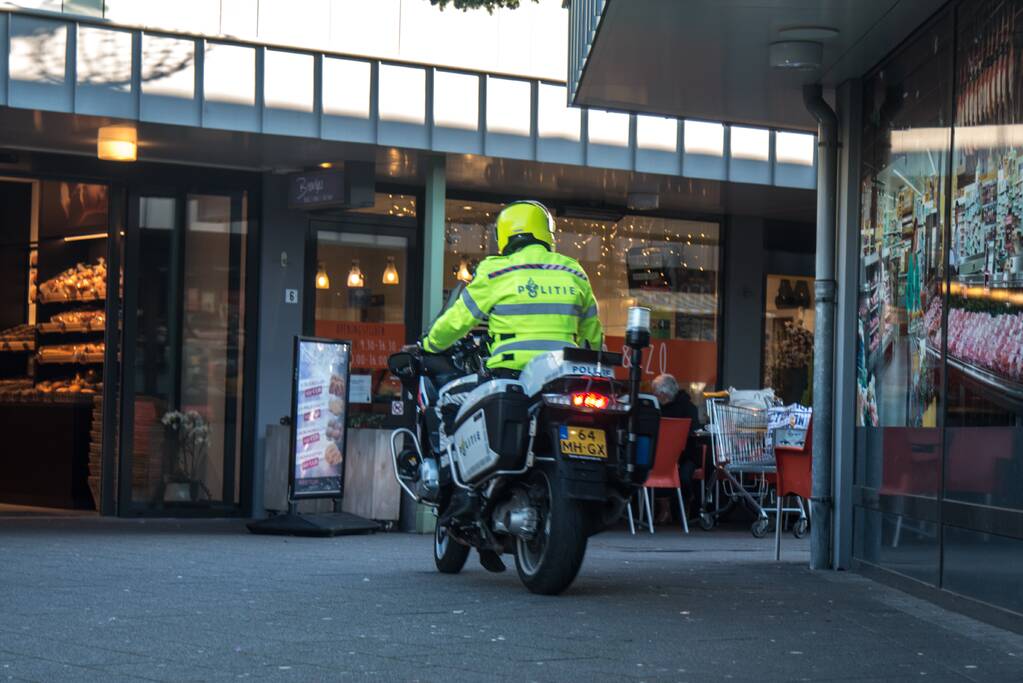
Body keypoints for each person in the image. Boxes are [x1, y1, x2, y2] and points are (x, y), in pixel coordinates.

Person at [419, 200, 604, 572]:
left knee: (445, 404)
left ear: (505, 234)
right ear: (546, 233)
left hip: (511, 376)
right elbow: (593, 336)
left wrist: (428, 345)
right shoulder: (574, 271)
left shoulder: (496, 270)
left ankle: (458, 490)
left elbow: (457, 320)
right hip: (565, 379)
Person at [651, 374, 703, 521]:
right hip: (668, 455)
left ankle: (679, 505)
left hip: (686, 455)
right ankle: (666, 507)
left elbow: (693, 434)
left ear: (663, 394)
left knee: (683, 475)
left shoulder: (684, 408)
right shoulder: (687, 407)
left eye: (657, 393)